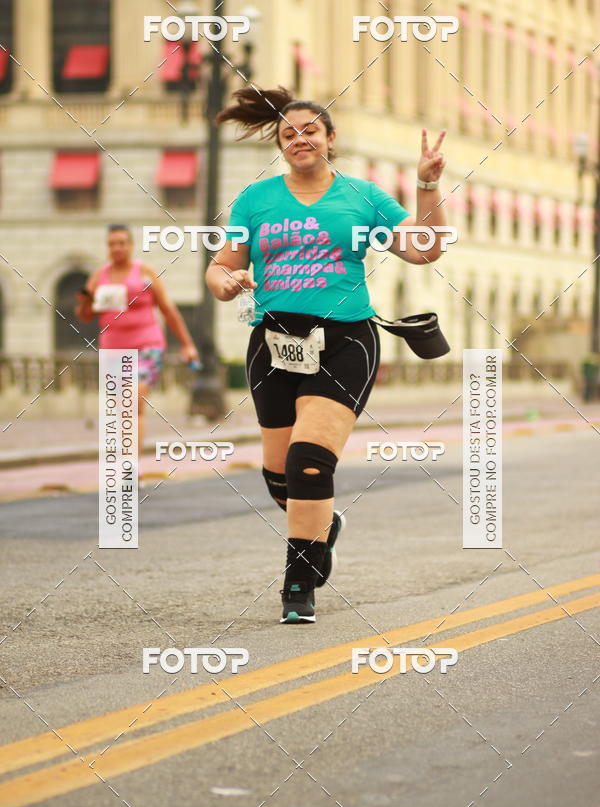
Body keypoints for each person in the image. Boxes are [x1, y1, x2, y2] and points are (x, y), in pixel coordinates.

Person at [206, 86, 448, 624]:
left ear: (330, 139)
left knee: (308, 461)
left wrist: (428, 184)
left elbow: (424, 248)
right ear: (280, 143)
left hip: (344, 341)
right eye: (289, 133)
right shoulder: (256, 199)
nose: (299, 139)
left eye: (310, 130)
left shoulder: (362, 197)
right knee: (278, 478)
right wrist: (228, 281)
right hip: (272, 342)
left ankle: (298, 584)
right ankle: (323, 525)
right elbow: (221, 266)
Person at [75, 224, 199, 464]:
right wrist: (83, 303)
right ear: (108, 247)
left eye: (122, 243)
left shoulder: (145, 272)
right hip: (113, 349)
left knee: (133, 402)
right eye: (112, 244)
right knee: (123, 409)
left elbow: (167, 309)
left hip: (147, 346)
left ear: (130, 246)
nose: (117, 248)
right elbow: (85, 315)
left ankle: (130, 466)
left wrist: (187, 344)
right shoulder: (98, 277)